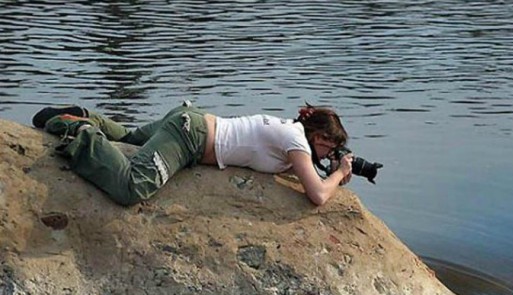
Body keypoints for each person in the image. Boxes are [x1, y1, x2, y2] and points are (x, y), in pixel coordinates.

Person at [32, 101, 353, 206]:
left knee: (131, 140)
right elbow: (318, 196)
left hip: (191, 121)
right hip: (190, 138)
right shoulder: (296, 140)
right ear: (318, 135)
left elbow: (306, 175)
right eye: (329, 146)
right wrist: (339, 172)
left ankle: (90, 116)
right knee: (133, 187)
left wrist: (332, 169)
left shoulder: (291, 135)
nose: (328, 154)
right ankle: (80, 132)